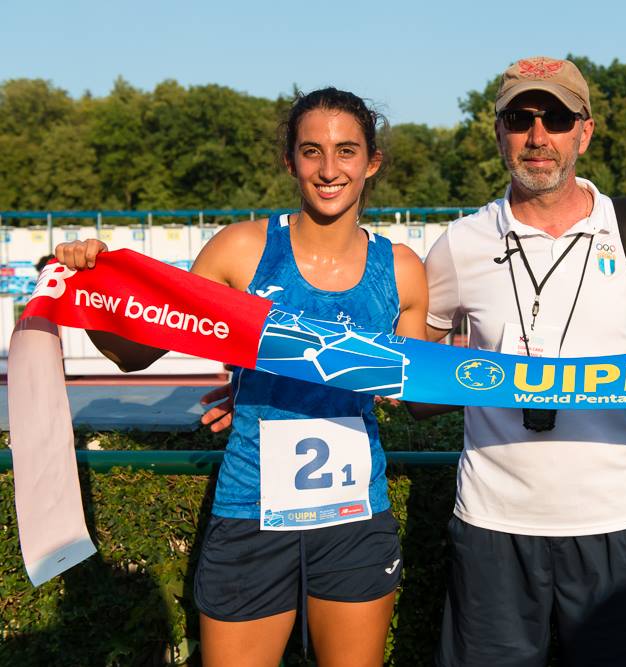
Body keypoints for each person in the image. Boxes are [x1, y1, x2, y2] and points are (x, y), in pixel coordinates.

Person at [54, 87, 428, 667]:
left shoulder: (401, 270)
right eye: (311, 151)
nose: (329, 170)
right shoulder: (240, 250)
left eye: (347, 151)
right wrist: (94, 287)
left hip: (356, 521)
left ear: (372, 161)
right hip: (250, 510)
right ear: (290, 161)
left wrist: (504, 375)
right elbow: (135, 357)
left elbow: (422, 396)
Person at [420, 56, 626, 666]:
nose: (538, 137)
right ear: (498, 132)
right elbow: (418, 384)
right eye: (520, 118)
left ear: (584, 132)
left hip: (618, 522)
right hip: (492, 523)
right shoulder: (460, 243)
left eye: (557, 118)